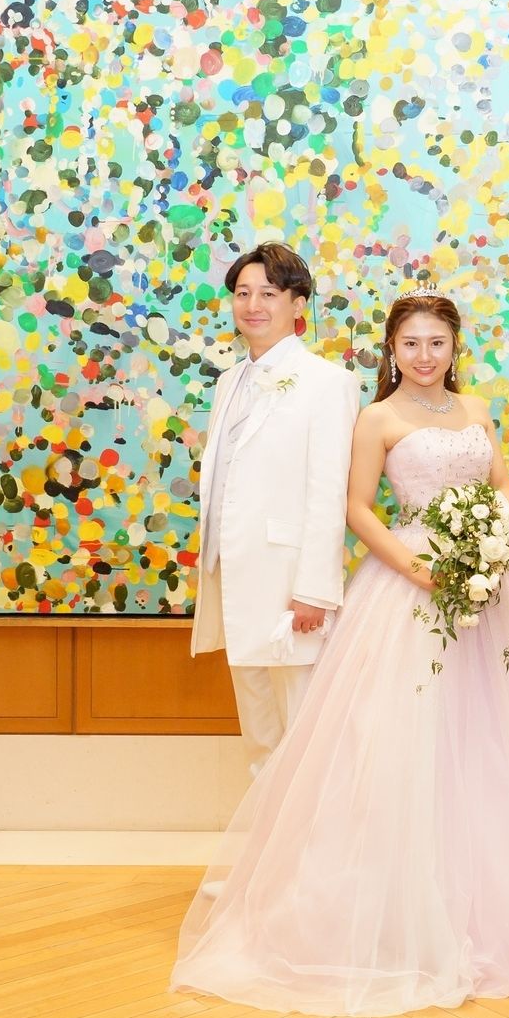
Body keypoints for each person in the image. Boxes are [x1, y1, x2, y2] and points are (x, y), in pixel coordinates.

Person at [173, 287, 509, 1016]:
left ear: (453, 347)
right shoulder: (377, 417)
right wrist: (419, 568)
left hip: (493, 584)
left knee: (508, 731)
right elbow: (356, 508)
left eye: (436, 343)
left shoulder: (475, 410)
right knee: (405, 738)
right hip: (408, 584)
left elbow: (501, 483)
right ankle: (402, 901)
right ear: (392, 349)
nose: (424, 355)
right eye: (410, 343)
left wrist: (496, 543)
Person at [190, 242, 359, 777]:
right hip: (235, 578)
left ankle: (313, 830)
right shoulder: (228, 381)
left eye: (268, 293)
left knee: (304, 731)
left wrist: (315, 590)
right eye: (242, 294)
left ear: (297, 303)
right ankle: (267, 827)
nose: (252, 305)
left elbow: (329, 491)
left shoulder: (328, 382)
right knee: (260, 735)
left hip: (290, 588)